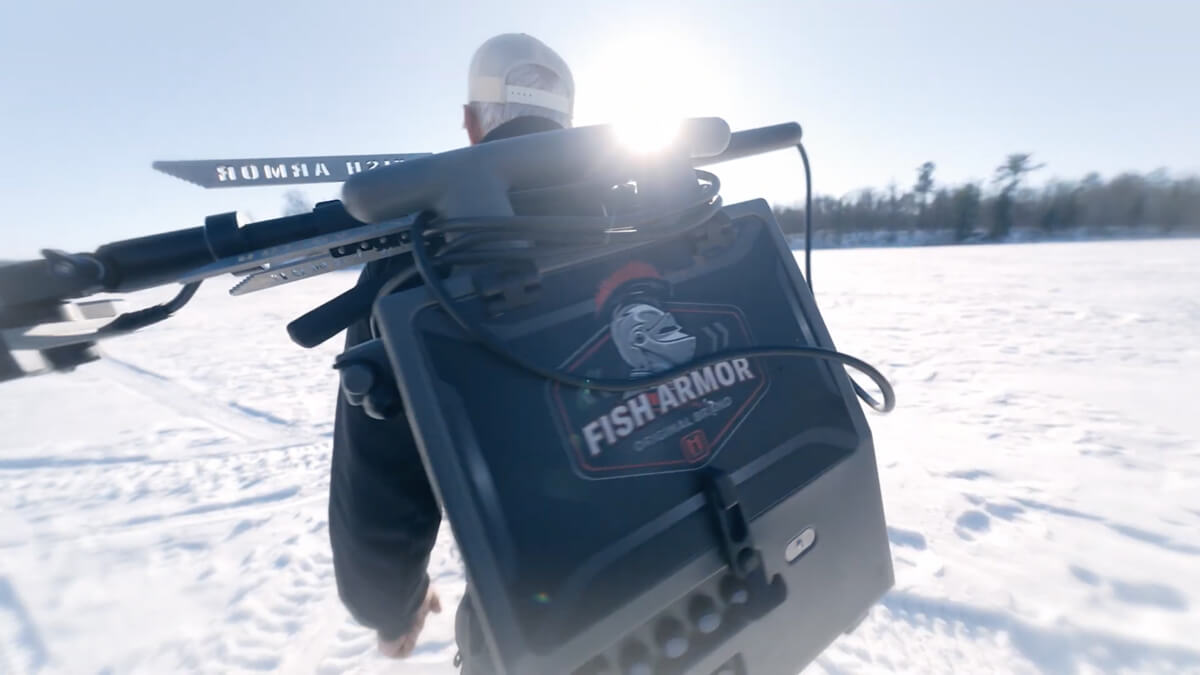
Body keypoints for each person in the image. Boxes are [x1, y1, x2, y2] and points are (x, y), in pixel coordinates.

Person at [327, 33, 575, 672]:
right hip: (725, 556)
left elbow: (383, 471)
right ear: (565, 118)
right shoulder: (659, 207)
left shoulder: (424, 254)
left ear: (469, 122)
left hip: (547, 619)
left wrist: (392, 604)